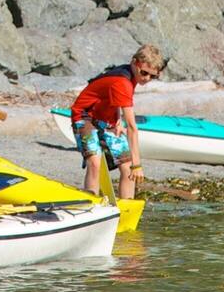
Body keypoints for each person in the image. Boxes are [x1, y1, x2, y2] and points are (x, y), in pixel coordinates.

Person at [68, 45, 164, 199]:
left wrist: (118, 118)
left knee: (126, 166)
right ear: (134, 62)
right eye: (144, 73)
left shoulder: (131, 76)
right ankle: (91, 202)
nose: (146, 79)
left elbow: (112, 96)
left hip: (107, 117)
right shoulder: (123, 82)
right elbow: (132, 127)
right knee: (95, 163)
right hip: (85, 115)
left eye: (153, 76)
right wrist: (137, 165)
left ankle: (127, 205)